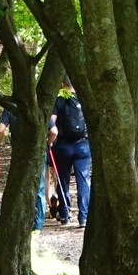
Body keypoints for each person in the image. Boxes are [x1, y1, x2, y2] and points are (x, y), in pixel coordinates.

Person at [49, 78, 91, 227]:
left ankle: (65, 214)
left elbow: (51, 121)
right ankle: (84, 217)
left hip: (64, 146)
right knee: (84, 180)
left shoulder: (59, 100)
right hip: (83, 145)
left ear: (62, 85)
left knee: (63, 179)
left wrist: (50, 140)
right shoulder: (84, 97)